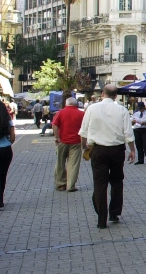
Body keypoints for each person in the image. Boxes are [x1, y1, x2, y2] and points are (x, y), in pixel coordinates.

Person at [79, 84, 136, 229]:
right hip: (117, 150)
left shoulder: (92, 109)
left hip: (98, 149)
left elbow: (83, 131)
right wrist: (132, 150)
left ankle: (101, 218)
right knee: (117, 181)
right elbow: (128, 133)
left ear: (102, 94)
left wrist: (84, 146)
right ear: (116, 96)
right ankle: (114, 212)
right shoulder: (122, 110)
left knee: (100, 183)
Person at [51, 97, 85, 191]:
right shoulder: (81, 114)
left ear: (66, 104)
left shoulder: (60, 112)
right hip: (76, 142)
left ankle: (61, 184)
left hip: (62, 141)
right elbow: (85, 128)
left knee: (60, 163)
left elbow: (54, 125)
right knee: (73, 164)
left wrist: (57, 137)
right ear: (76, 104)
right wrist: (84, 143)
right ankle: (70, 186)